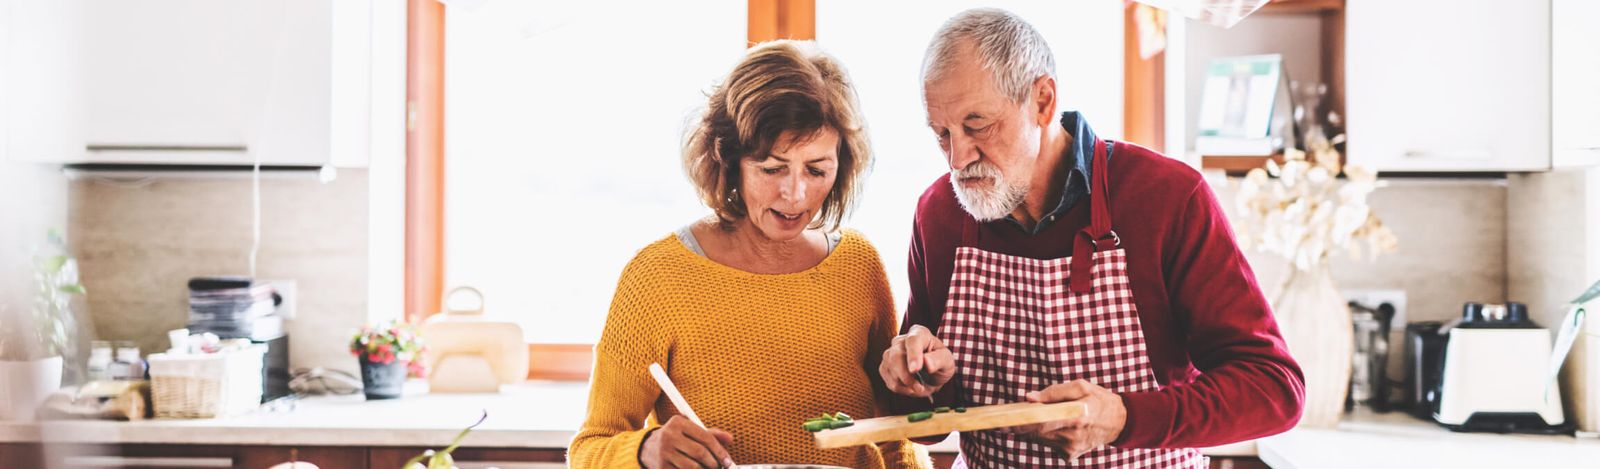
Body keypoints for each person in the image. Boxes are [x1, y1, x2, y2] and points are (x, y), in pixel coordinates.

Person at [878, 8, 1305, 467]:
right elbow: (927, 425)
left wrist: (1124, 418)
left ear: (1042, 102)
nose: (958, 159)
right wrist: (920, 381)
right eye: (942, 134)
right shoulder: (940, 214)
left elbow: (1274, 389)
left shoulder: (1167, 198)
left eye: (977, 125)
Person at [570, 40, 924, 469]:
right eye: (772, 168)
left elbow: (893, 436)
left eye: (817, 169)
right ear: (728, 158)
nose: (795, 194)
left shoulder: (858, 264)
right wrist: (644, 451)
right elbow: (590, 449)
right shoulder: (658, 277)